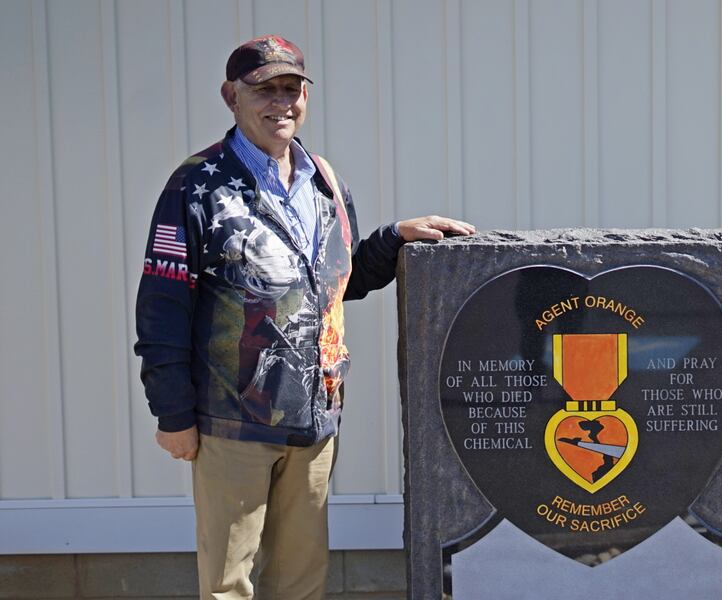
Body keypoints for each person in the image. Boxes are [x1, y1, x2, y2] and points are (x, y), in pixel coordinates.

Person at [133, 35, 474, 599]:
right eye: (263, 89)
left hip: (315, 421)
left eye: (291, 89)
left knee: (301, 583)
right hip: (231, 422)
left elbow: (335, 285)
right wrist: (173, 413)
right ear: (231, 96)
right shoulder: (195, 186)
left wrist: (392, 240)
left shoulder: (323, 182)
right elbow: (162, 309)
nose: (280, 102)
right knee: (227, 584)